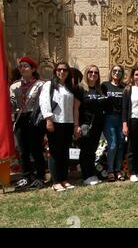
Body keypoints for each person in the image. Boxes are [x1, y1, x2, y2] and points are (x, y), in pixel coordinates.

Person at [39, 62, 77, 192]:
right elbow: (44, 102)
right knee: (55, 152)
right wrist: (48, 120)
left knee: (65, 152)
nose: (62, 72)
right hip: (55, 122)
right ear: (55, 71)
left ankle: (64, 179)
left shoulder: (69, 87)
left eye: (65, 70)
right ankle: (55, 181)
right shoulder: (49, 85)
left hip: (67, 122)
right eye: (59, 69)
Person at [10, 57, 46, 190]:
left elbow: (43, 103)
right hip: (20, 118)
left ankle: (40, 176)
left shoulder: (40, 85)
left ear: (33, 69)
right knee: (23, 150)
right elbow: (12, 104)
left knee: (36, 148)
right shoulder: (14, 86)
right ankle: (25, 176)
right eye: (20, 66)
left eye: (25, 66)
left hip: (34, 117)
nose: (22, 68)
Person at [74, 65, 106, 186]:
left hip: (97, 125)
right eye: (90, 72)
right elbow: (76, 108)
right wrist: (76, 125)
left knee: (92, 150)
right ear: (86, 74)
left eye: (96, 72)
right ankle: (86, 175)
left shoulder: (99, 89)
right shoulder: (80, 89)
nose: (93, 74)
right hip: (85, 124)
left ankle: (92, 174)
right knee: (85, 151)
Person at [101, 65, 126, 181]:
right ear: (111, 72)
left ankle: (118, 170)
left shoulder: (124, 87)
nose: (117, 73)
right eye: (115, 71)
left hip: (121, 119)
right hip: (109, 118)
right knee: (113, 144)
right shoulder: (104, 86)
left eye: (119, 71)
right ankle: (110, 170)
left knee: (121, 145)